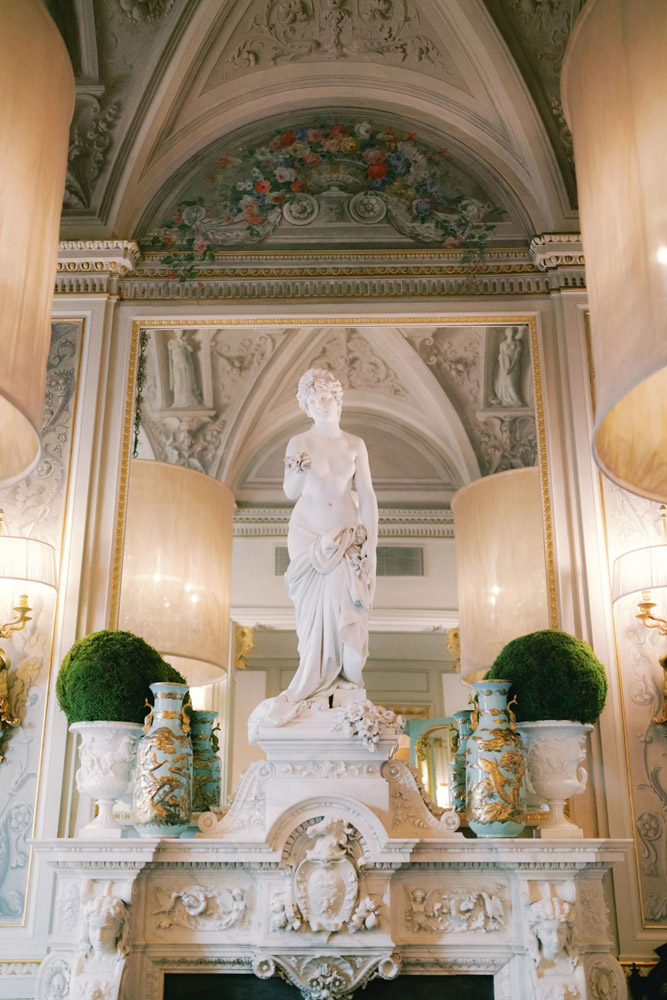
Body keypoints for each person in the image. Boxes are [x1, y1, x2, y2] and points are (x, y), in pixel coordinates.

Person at [248, 368, 378, 737]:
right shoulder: (299, 441)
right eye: (314, 400)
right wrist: (298, 469)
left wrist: (371, 543)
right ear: (307, 405)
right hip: (308, 537)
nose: (322, 405)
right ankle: (313, 683)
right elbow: (290, 490)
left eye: (327, 397)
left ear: (338, 398)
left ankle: (343, 681)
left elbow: (366, 495)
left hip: (346, 537)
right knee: (312, 620)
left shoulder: (355, 444)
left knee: (346, 607)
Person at [492, 326, 524, 407]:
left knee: (512, 383)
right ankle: (504, 400)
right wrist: (503, 369)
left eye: (512, 332)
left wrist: (510, 368)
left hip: (514, 366)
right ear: (506, 333)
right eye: (509, 332)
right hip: (503, 365)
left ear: (515, 333)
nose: (511, 333)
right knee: (505, 382)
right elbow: (501, 356)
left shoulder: (517, 343)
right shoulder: (502, 344)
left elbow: (517, 357)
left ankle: (516, 401)